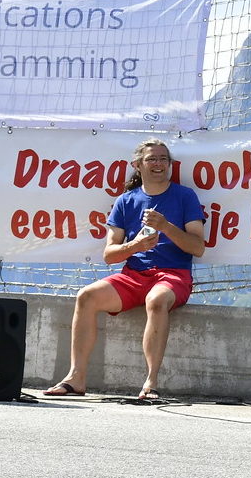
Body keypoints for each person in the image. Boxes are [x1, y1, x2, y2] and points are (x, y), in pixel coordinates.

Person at [43, 138, 208, 403]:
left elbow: (197, 247)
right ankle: (76, 378)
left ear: (170, 164)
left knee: (156, 301)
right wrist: (136, 245)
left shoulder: (184, 196)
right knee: (86, 296)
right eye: (152, 159)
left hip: (173, 274)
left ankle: (150, 382)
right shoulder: (125, 200)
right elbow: (110, 254)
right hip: (134, 275)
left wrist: (166, 227)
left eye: (163, 159)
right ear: (138, 165)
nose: (158, 164)